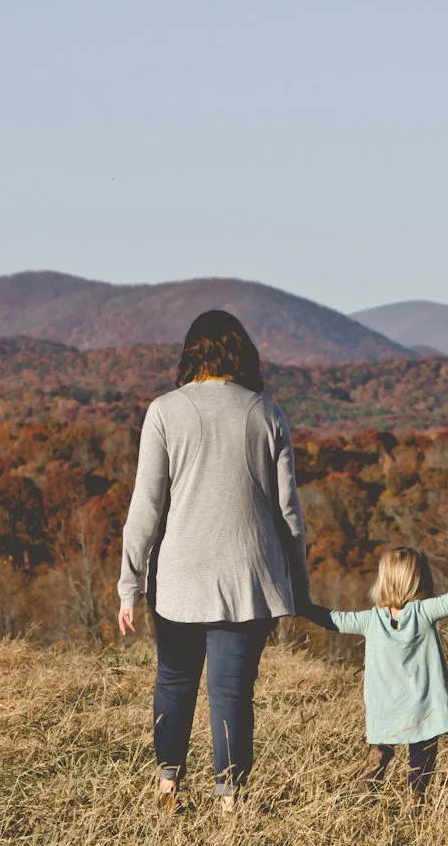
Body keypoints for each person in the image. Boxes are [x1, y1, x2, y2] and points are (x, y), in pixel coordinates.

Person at [117, 310, 308, 813]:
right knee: (231, 694)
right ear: (241, 352)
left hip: (177, 579)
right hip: (249, 579)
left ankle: (167, 788)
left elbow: (146, 507)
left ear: (191, 354)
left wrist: (129, 585)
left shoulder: (163, 411)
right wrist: (298, 585)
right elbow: (289, 513)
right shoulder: (266, 413)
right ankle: (229, 802)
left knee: (174, 682)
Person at [303, 546, 448, 799]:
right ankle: (416, 798)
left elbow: (333, 619)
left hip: (385, 707)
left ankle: (368, 786)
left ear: (384, 580)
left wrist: (301, 606)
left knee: (381, 746)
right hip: (423, 708)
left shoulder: (371, 620)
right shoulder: (424, 613)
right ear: (420, 580)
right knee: (423, 753)